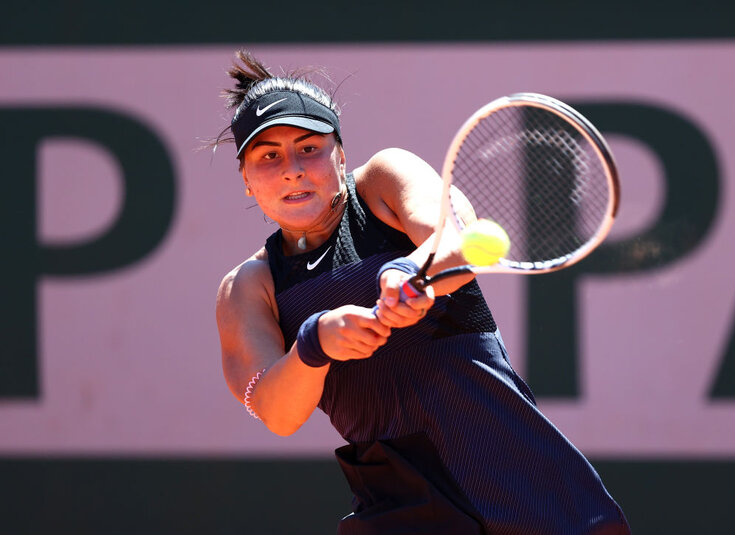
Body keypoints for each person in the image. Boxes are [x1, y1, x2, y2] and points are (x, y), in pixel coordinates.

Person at [214, 51, 630, 535]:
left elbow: (456, 239)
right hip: (401, 510)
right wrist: (315, 343)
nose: (292, 169)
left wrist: (409, 269)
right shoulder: (248, 287)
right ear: (245, 179)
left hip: (525, 480)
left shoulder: (383, 180)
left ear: (341, 153)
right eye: (269, 156)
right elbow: (276, 411)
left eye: (310, 147)